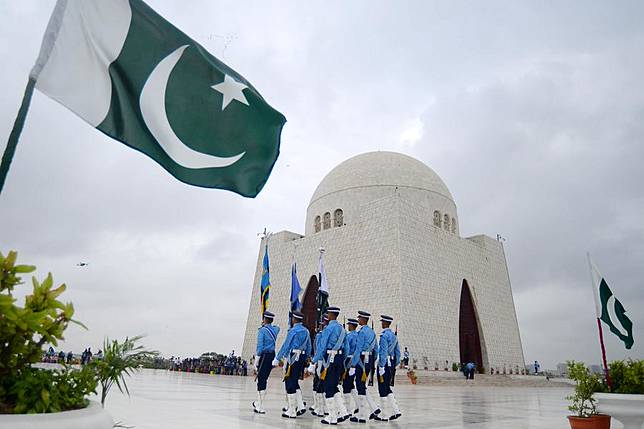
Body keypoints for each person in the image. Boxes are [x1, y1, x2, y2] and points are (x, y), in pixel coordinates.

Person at [308, 306, 349, 425]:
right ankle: (343, 411)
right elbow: (346, 348)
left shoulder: (328, 329)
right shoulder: (342, 329)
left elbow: (322, 347)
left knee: (328, 387)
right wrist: (343, 361)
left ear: (331, 315)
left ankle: (332, 416)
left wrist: (313, 362)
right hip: (339, 359)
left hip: (329, 360)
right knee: (334, 385)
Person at [274, 310, 311, 419]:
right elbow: (309, 347)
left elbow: (286, 345)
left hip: (292, 359)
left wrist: (278, 358)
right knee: (294, 382)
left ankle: (291, 410)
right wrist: (306, 359)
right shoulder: (306, 331)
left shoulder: (293, 331)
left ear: (294, 319)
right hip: (301, 359)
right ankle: (300, 406)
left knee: (289, 382)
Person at [348, 311, 380, 423]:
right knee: (362, 385)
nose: (358, 320)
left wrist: (352, 365)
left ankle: (361, 415)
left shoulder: (361, 332)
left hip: (361, 360)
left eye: (359, 318)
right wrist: (372, 362)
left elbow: (358, 349)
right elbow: (376, 350)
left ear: (363, 320)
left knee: (360, 386)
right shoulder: (372, 332)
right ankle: (369, 410)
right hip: (369, 360)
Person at [252, 310, 280, 414]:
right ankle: (258, 402)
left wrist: (256, 361)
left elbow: (259, 347)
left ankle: (259, 405)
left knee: (261, 380)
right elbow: (278, 327)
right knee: (264, 379)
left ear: (264, 319)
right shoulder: (275, 330)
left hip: (263, 356)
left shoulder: (262, 331)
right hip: (272, 355)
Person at [375, 315, 402, 421]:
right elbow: (398, 354)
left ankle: (384, 414)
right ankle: (396, 410)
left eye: (382, 322)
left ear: (385, 323)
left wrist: (381, 366)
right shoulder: (394, 337)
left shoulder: (384, 336)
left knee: (382, 388)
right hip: (390, 365)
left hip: (384, 364)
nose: (381, 323)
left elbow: (383, 352)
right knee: (387, 387)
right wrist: (394, 364)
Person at [341, 318, 360, 421]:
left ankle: (347, 409)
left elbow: (346, 348)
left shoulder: (349, 336)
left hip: (348, 361)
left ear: (351, 326)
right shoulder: (358, 335)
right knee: (351, 384)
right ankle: (357, 405)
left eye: (349, 325)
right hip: (356, 361)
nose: (348, 326)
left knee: (346, 385)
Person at [311, 316, 328, 417]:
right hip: (326, 360)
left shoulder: (320, 335)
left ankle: (320, 408)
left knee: (319, 383)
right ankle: (321, 407)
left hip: (321, 361)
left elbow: (318, 349)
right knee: (323, 384)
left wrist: (314, 361)